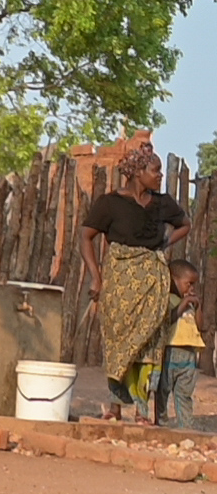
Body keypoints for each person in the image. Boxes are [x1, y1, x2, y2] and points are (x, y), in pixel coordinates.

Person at [79, 141, 189, 417]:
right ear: (138, 171)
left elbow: (185, 225)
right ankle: (115, 407)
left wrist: (164, 243)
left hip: (153, 281)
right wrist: (96, 276)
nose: (160, 175)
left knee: (150, 345)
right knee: (119, 342)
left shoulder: (162, 203)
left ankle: (141, 410)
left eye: (161, 170)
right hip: (120, 281)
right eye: (155, 170)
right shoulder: (110, 203)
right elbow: (86, 237)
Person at [162, 259, 207, 429]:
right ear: (174, 280)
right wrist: (183, 304)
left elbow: (200, 326)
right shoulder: (169, 299)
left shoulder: (191, 304)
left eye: (193, 285)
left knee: (184, 394)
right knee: (163, 392)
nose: (191, 289)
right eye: (188, 284)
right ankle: (161, 425)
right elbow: (168, 320)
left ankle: (185, 427)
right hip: (170, 353)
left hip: (188, 356)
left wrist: (198, 307)